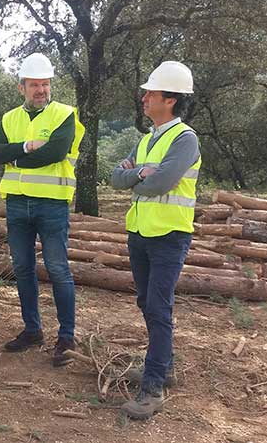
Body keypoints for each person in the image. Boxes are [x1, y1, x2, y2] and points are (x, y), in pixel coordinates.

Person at [110, 61, 200, 420]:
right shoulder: (147, 138)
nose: (144, 97)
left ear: (171, 100)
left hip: (169, 236)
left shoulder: (185, 139)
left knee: (159, 308)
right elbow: (116, 179)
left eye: (151, 93)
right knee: (147, 303)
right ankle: (162, 367)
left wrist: (137, 178)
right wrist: (138, 174)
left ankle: (152, 388)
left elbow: (160, 183)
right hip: (141, 233)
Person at [0, 53, 85, 366]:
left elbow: (56, 152)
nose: (40, 89)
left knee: (58, 269)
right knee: (23, 268)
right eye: (34, 85)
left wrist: (13, 156)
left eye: (45, 84)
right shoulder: (9, 118)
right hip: (17, 203)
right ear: (22, 88)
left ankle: (66, 337)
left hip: (51, 204)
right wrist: (25, 150)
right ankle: (33, 330)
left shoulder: (65, 115)